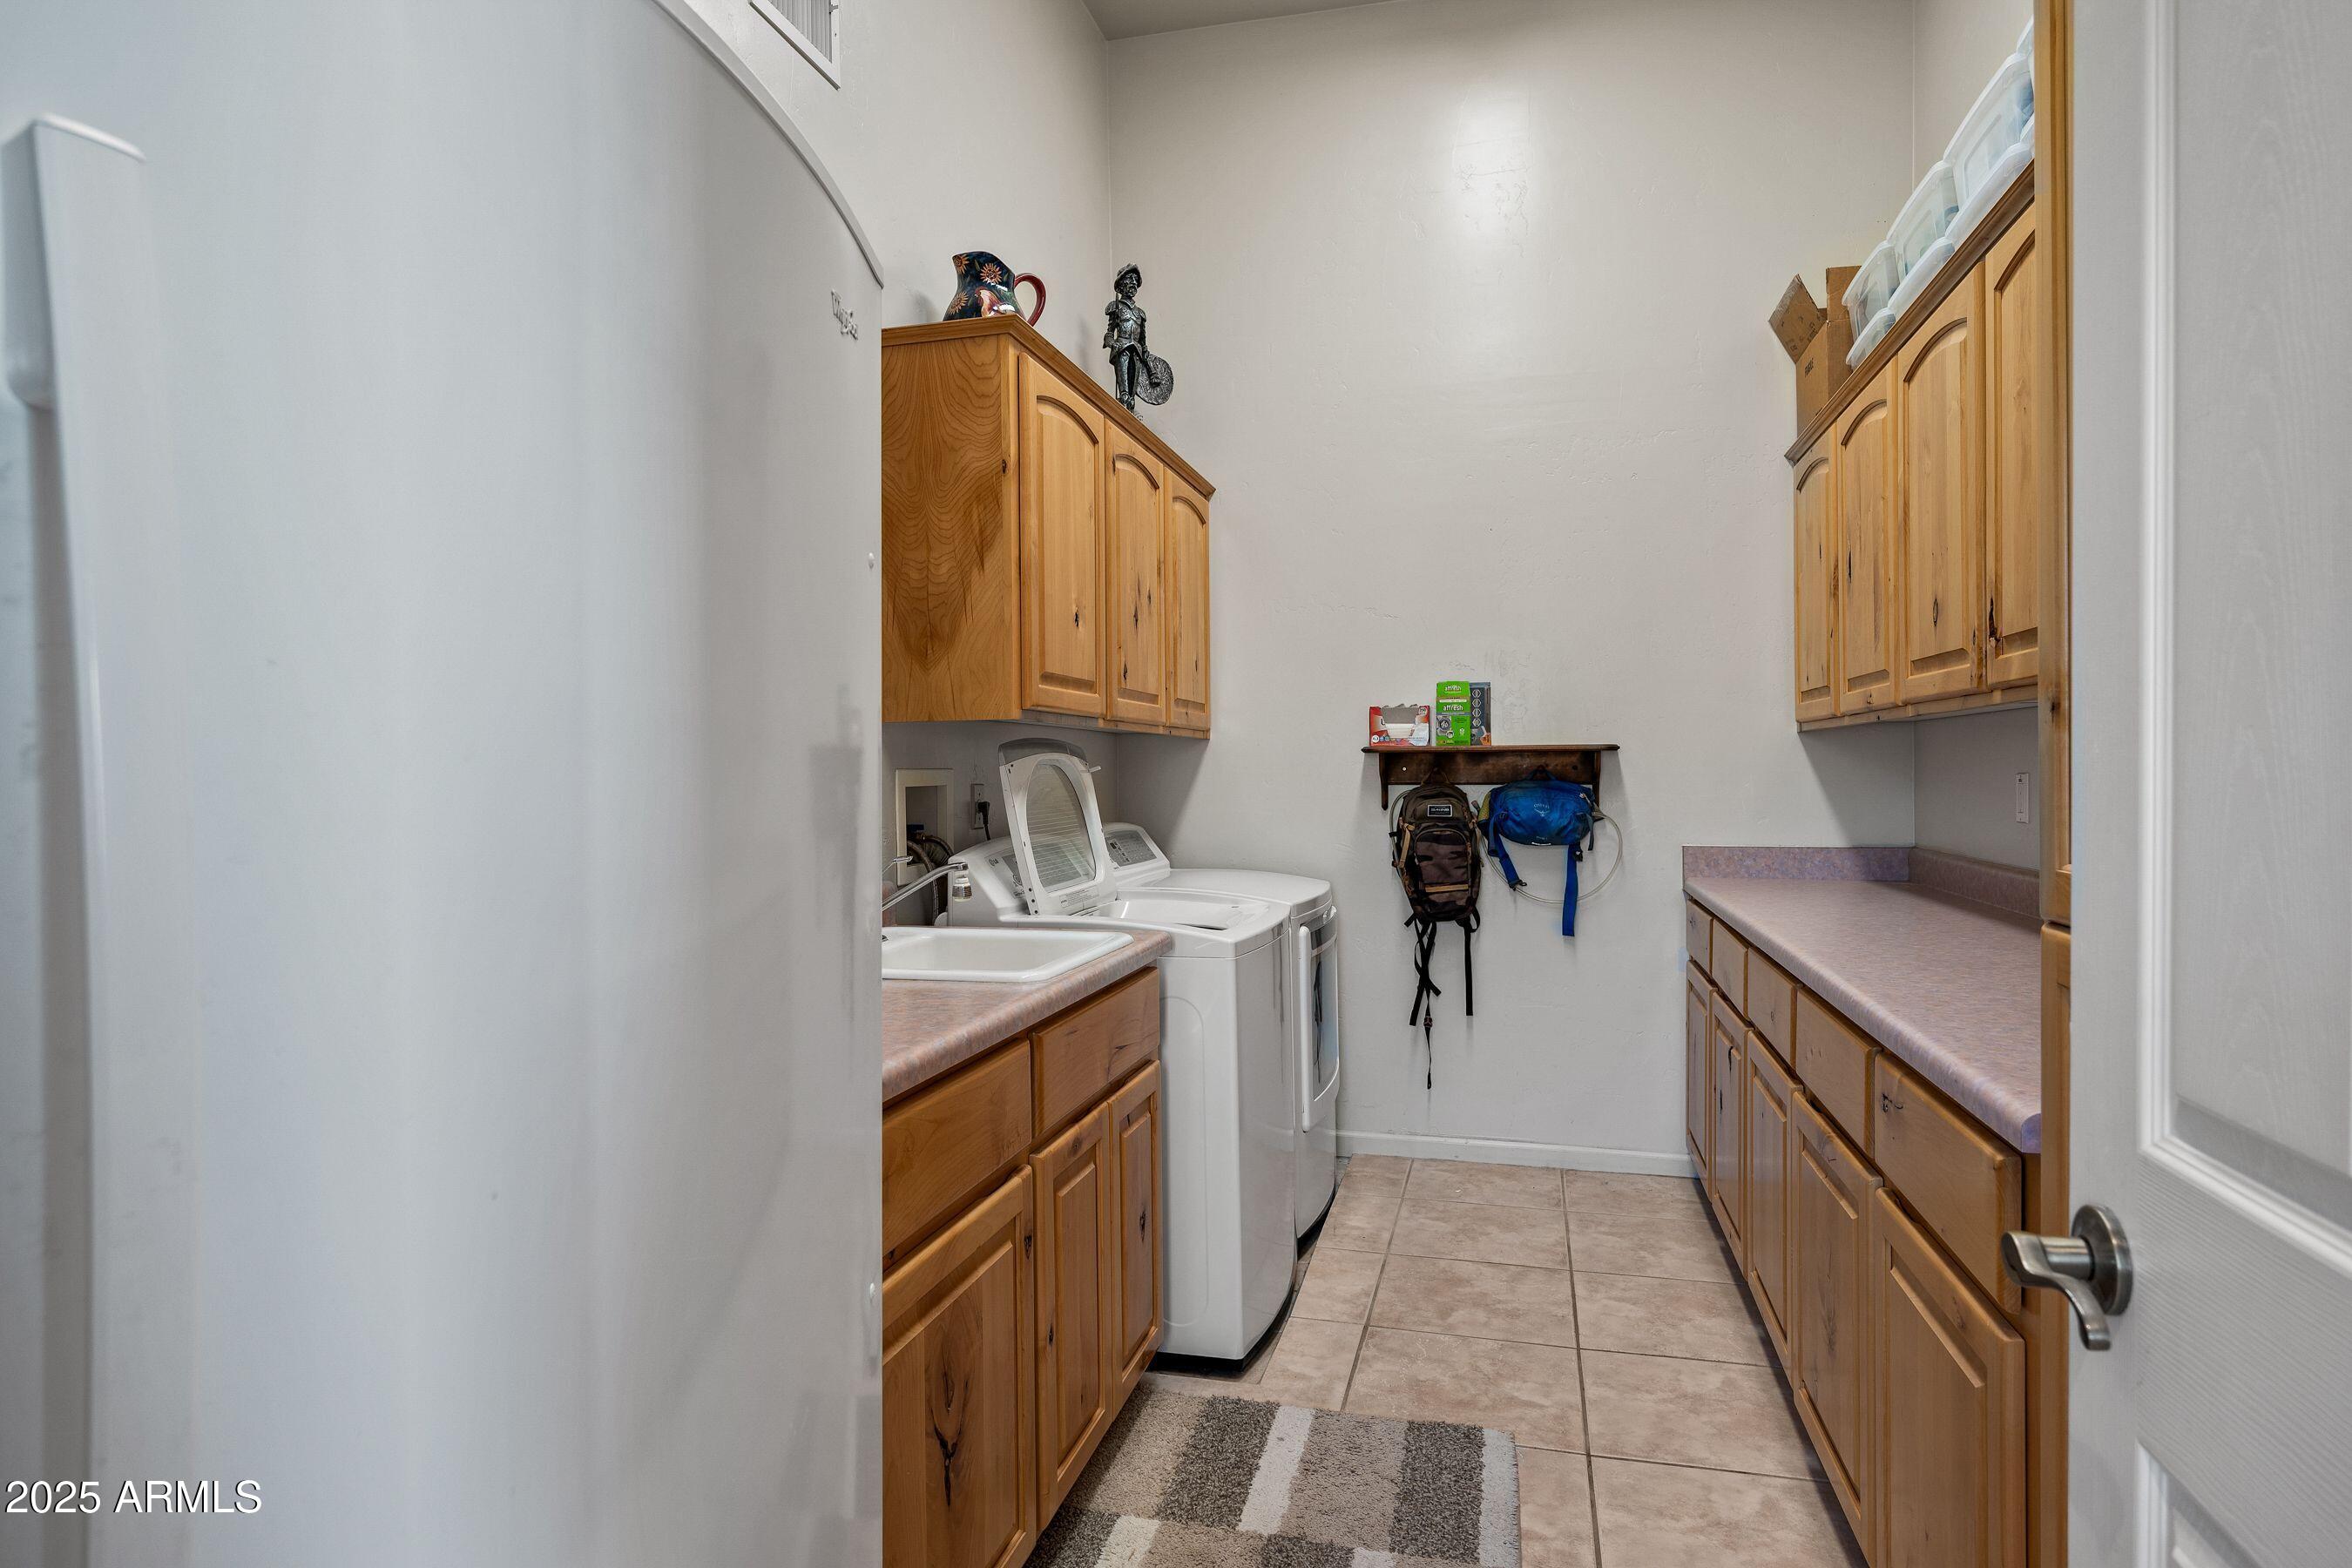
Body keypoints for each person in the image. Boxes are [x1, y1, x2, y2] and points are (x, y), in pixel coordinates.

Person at [1103, 265, 1151, 410]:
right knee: (1124, 395)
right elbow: (1109, 333)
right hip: (1122, 348)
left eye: (1135, 279)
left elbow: (1142, 340)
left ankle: (1130, 408)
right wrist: (1112, 343)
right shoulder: (1115, 306)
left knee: (1131, 398)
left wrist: (1145, 351)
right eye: (1130, 278)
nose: (1134, 282)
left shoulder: (1140, 313)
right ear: (1122, 283)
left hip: (1137, 353)